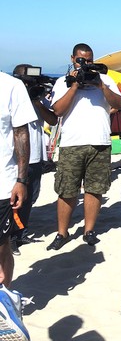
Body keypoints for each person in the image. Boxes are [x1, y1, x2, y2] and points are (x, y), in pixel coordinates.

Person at [47, 43, 121, 250]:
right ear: (73, 58)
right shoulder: (63, 82)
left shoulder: (105, 79)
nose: (85, 64)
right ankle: (62, 233)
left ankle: (88, 231)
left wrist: (101, 86)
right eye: (81, 60)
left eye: (89, 60)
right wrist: (74, 86)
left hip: (100, 142)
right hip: (72, 143)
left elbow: (119, 103)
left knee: (95, 189)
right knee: (66, 190)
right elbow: (58, 111)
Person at [0, 71, 34, 341]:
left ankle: (6, 301)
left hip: (2, 183)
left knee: (2, 247)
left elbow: (21, 132)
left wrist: (22, 179)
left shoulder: (11, 86)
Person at [10, 65, 57, 256]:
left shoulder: (36, 97)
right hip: (15, 158)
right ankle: (10, 237)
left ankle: (21, 232)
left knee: (31, 196)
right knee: (13, 200)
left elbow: (53, 120)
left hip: (36, 156)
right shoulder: (12, 96)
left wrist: (37, 102)